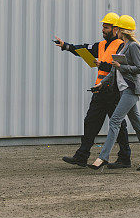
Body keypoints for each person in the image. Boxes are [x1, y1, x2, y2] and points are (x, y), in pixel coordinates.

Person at [54, 13, 133, 168]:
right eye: (103, 26)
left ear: (115, 29)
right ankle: (82, 156)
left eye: (106, 27)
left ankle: (125, 158)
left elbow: (119, 69)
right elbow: (84, 49)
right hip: (100, 90)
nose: (103, 29)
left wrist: (102, 65)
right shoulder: (101, 45)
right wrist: (67, 46)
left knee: (117, 125)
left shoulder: (121, 46)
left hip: (114, 91)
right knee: (91, 122)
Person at [89, 15, 140, 171]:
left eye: (117, 28)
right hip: (123, 90)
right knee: (138, 126)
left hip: (130, 90)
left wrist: (121, 66)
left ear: (121, 30)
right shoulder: (123, 46)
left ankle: (103, 157)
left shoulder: (133, 46)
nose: (116, 30)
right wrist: (100, 85)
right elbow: (113, 72)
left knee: (114, 121)